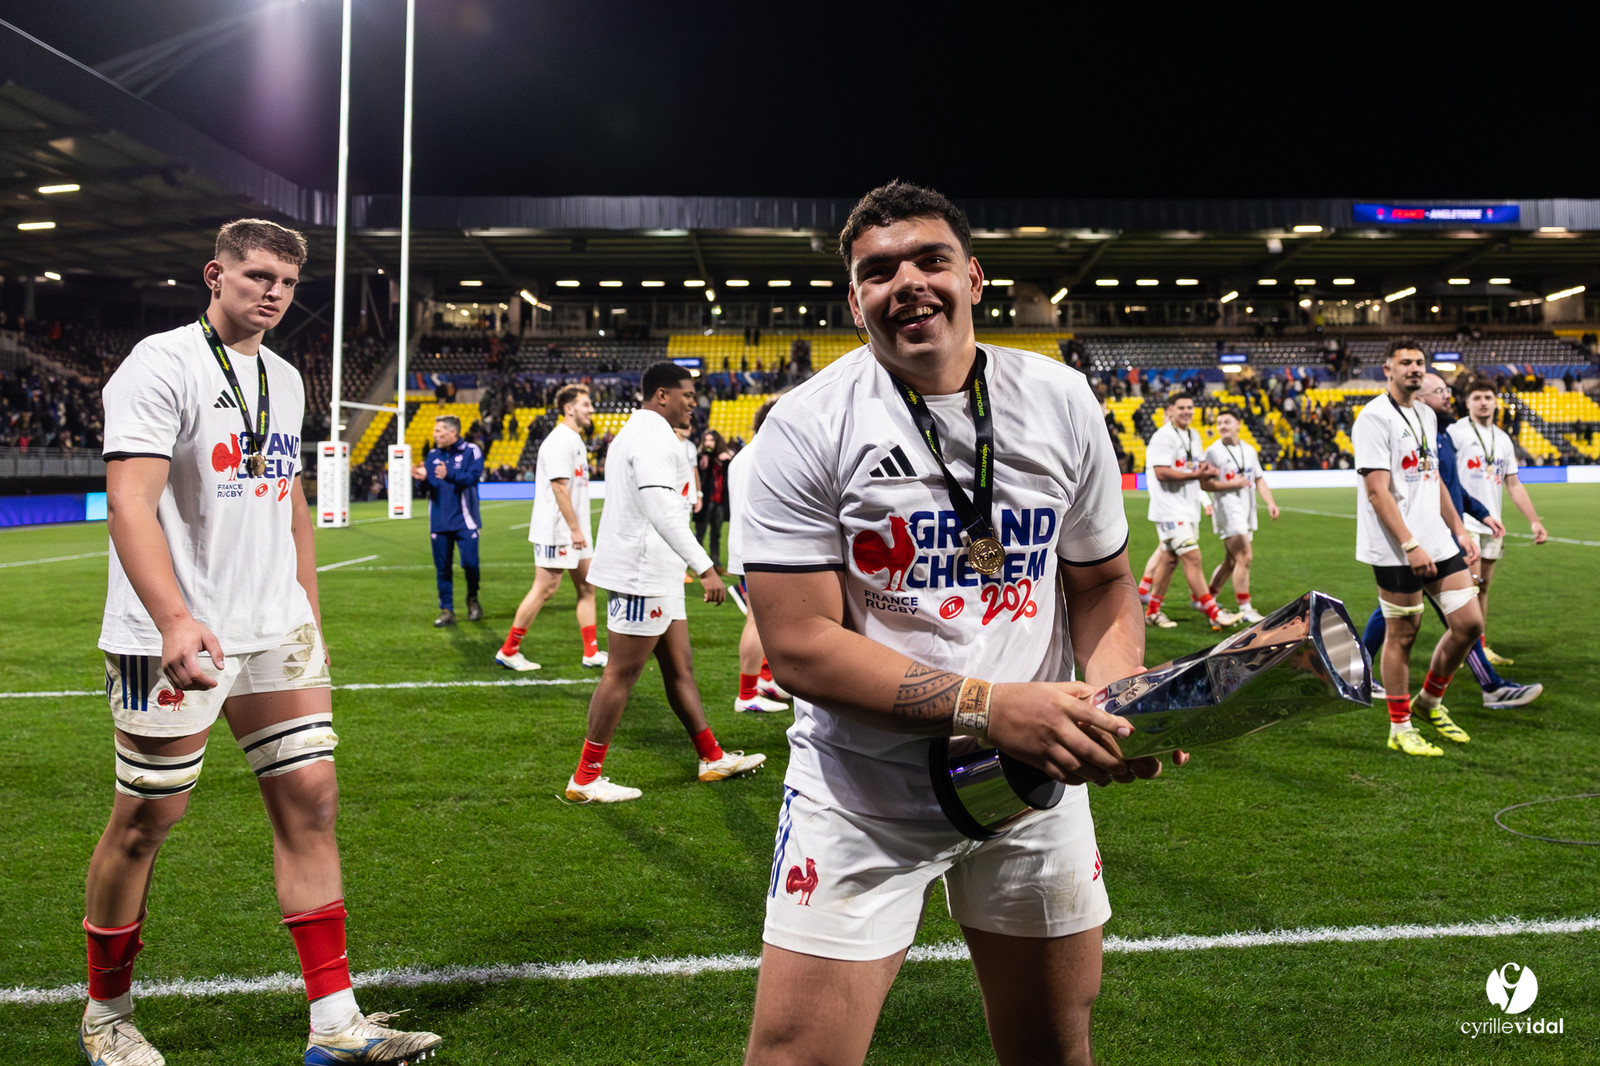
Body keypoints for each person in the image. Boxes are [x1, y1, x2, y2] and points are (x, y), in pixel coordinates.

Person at [739, 181, 1180, 1066]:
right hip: (863, 794)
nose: (907, 282)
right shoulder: (804, 426)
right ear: (855, 300)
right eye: (878, 271)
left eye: (930, 260)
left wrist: (1110, 699)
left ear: (973, 277)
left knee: (1054, 1049)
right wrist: (989, 706)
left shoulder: (1060, 399)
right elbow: (800, 647)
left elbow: (1102, 582)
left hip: (1034, 786)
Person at [83, 219, 440, 1066]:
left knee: (313, 800)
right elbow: (130, 501)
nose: (273, 293)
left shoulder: (284, 376)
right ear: (216, 275)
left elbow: (290, 499)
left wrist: (307, 610)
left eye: (286, 282)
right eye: (257, 276)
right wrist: (174, 618)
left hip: (273, 624)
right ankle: (106, 1016)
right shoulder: (159, 363)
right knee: (148, 819)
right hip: (173, 627)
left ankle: (336, 1025)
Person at [563, 361, 766, 803]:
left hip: (657, 571)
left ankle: (711, 756)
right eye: (687, 396)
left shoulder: (640, 432)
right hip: (643, 573)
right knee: (621, 673)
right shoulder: (653, 437)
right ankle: (585, 777)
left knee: (679, 666)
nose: (694, 404)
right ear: (662, 395)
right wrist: (705, 567)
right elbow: (660, 509)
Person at [1352, 341, 1485, 757]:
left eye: (1419, 363)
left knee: (1469, 624)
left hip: (1436, 538)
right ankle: (1399, 726)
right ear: (1387, 369)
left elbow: (1434, 477)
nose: (1414, 368)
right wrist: (1410, 545)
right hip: (1395, 546)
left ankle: (1428, 702)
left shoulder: (1426, 413)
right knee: (1404, 633)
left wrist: (1459, 530)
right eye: (1405, 362)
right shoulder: (1373, 418)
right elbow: (1377, 492)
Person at [495, 384, 608, 671]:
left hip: (575, 531)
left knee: (587, 587)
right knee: (545, 589)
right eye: (585, 404)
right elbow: (559, 488)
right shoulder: (559, 441)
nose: (591, 409)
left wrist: (579, 530)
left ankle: (591, 652)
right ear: (569, 409)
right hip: (559, 531)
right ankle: (509, 650)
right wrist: (574, 529)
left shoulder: (575, 439)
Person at [1448, 376, 1550, 666]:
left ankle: (1478, 646)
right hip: (1464, 522)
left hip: (1493, 525)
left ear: (1496, 402)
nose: (1483, 403)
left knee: (1482, 588)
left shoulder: (1503, 439)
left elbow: (1513, 484)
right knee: (1469, 588)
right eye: (1477, 398)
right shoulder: (1456, 433)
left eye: (1488, 398)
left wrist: (1534, 521)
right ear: (1467, 402)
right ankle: (1467, 649)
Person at [1143, 394, 1237, 631]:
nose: (1187, 411)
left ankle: (1152, 612)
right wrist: (1196, 474)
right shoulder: (1162, 437)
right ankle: (1214, 612)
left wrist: (1206, 469)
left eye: (1190, 407)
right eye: (1181, 407)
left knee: (1169, 560)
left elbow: (1194, 465)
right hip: (1169, 509)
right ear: (1170, 410)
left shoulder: (1194, 435)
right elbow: (1161, 472)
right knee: (1192, 557)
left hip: (1187, 508)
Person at [724, 397, 790, 714]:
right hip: (761, 549)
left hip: (746, 546)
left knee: (766, 620)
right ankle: (747, 695)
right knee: (757, 620)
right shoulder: (769, 453)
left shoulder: (741, 456)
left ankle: (763, 678)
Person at [1200, 407, 1279, 623]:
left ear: (1238, 425)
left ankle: (1207, 600)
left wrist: (1270, 503)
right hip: (1227, 509)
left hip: (1246, 509)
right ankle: (1245, 609)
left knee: (1231, 561)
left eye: (1227, 422)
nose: (1222, 426)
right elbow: (1204, 483)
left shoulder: (1249, 450)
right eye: (1219, 423)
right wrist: (1231, 484)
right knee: (1245, 555)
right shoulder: (1213, 452)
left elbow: (1259, 478)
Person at [412, 414, 484, 627]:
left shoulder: (471, 450)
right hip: (439, 520)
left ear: (453, 432)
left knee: (470, 564)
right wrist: (421, 480)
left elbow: (472, 477)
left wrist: (449, 474)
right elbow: (431, 486)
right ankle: (447, 610)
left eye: (438, 431)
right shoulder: (433, 454)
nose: (434, 435)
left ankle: (472, 598)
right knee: (442, 568)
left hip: (465, 520)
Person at [694, 428, 734, 569]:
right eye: (706, 440)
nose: (708, 443)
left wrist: (728, 460)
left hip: (720, 500)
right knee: (700, 532)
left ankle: (715, 563)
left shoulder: (725, 458)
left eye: (711, 440)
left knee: (716, 534)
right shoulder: (701, 457)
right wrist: (704, 459)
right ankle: (698, 564)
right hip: (705, 500)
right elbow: (698, 474)